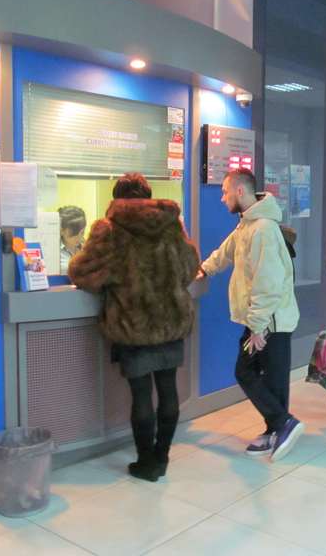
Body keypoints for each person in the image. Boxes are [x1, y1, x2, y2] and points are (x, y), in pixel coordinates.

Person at [68, 173, 200, 481]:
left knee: (141, 394)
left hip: (133, 325)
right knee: (168, 389)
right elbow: (190, 268)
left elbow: (82, 273)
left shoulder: (109, 229)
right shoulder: (172, 225)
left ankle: (146, 462)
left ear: (117, 197)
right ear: (148, 196)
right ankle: (162, 457)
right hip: (170, 322)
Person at [199, 169, 304, 461]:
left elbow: (268, 283)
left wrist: (258, 326)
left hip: (270, 321)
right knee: (269, 376)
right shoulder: (247, 225)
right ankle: (276, 428)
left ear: (240, 192)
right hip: (262, 320)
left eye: (225, 192)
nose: (222, 198)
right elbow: (226, 251)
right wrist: (204, 269)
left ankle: (283, 423)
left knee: (247, 372)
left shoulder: (263, 229)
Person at [58, 205, 86, 274]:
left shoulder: (86, 247)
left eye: (82, 232)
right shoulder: (54, 252)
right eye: (74, 233)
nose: (79, 237)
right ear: (61, 231)